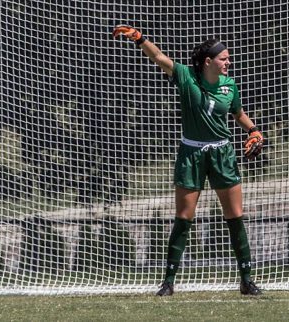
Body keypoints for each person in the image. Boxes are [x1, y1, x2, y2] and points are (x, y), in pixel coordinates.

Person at [113, 25, 264, 296]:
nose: (228, 62)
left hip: (222, 153)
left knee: (235, 217)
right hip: (191, 153)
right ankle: (168, 282)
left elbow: (238, 114)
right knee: (183, 218)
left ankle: (246, 280)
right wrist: (140, 38)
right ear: (209, 62)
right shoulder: (186, 76)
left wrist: (253, 130)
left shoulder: (230, 85)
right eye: (224, 59)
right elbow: (159, 57)